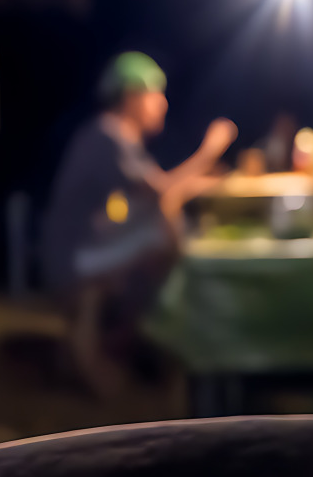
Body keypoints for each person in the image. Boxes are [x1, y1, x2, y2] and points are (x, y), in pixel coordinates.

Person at [41, 53, 235, 392]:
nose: (162, 104)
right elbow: (160, 192)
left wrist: (208, 183)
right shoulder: (107, 137)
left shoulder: (118, 138)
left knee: (163, 227)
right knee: (167, 230)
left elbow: (158, 187)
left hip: (84, 247)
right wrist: (209, 151)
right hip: (71, 259)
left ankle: (122, 340)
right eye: (155, 95)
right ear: (131, 97)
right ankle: (149, 343)